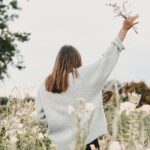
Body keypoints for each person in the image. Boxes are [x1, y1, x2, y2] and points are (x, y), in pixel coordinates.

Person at [35, 15, 139, 150]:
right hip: (89, 143)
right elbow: (107, 59)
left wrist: (60, 127)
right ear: (77, 60)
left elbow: (40, 119)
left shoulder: (45, 86)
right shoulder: (84, 76)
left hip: (59, 146)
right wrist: (123, 30)